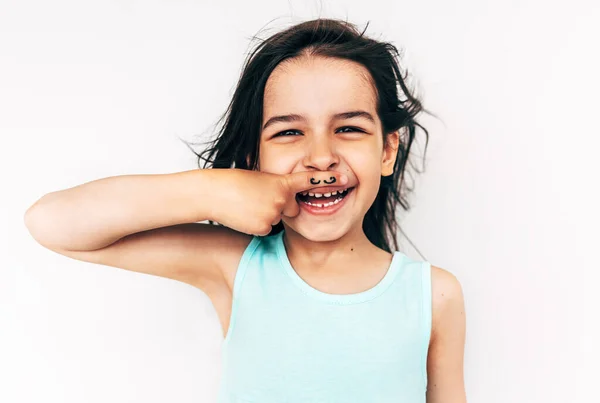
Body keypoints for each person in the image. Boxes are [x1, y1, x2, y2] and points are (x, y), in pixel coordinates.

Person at [24, 17, 466, 403]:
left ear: (387, 150)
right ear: (255, 158)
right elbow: (51, 223)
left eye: (348, 127)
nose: (320, 156)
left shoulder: (434, 296)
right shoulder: (236, 267)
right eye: (289, 132)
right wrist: (211, 191)